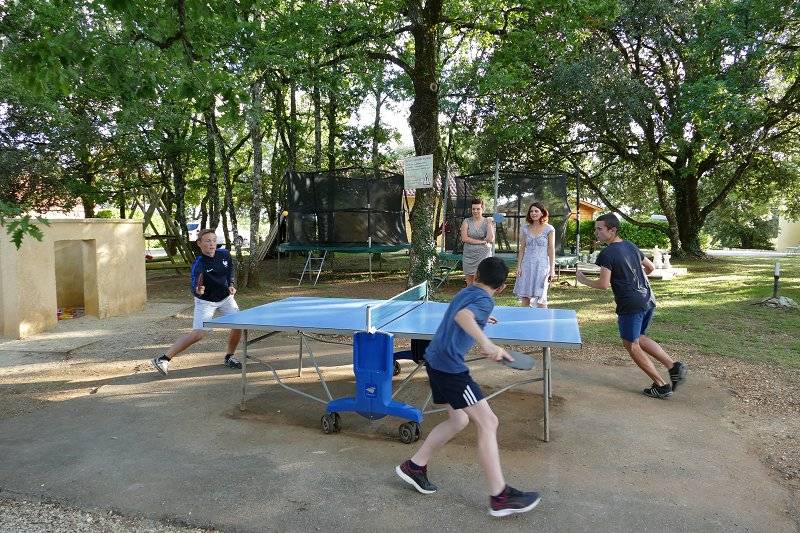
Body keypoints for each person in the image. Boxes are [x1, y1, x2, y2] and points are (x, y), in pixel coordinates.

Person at [395, 257, 541, 517]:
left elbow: (462, 311)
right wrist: (486, 343)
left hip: (435, 361)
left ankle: (414, 467)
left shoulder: (468, 291)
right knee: (488, 422)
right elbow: (464, 316)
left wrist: (484, 319)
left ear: (475, 276)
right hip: (451, 369)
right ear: (502, 287)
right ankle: (499, 497)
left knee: (459, 420)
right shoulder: (484, 300)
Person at [576, 214, 687, 398]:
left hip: (630, 303)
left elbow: (604, 284)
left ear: (612, 230)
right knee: (639, 337)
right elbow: (650, 268)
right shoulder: (630, 245)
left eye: (599, 229)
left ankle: (660, 385)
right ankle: (673, 366)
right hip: (648, 299)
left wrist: (584, 280)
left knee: (631, 343)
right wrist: (632, 276)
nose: (596, 232)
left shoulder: (607, 253)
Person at [151, 229, 243, 375]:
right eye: (207, 241)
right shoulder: (199, 264)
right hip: (206, 301)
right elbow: (194, 285)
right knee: (198, 334)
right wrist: (197, 291)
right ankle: (163, 359)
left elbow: (229, 270)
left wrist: (231, 284)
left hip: (226, 298)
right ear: (199, 244)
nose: (212, 243)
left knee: (239, 325)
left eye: (214, 240)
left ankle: (229, 356)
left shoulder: (224, 254)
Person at [513, 202, 555, 308]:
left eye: (536, 211)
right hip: (526, 265)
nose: (533, 213)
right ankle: (525, 322)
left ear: (542, 213)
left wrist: (552, 269)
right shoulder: (525, 229)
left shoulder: (549, 229)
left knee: (541, 297)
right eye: (531, 211)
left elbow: (551, 249)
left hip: (542, 266)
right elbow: (522, 249)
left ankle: (544, 323)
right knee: (525, 297)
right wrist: (519, 266)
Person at [460, 198, 495, 285]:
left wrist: (490, 224)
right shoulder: (466, 221)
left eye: (478, 209)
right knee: (470, 283)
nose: (475, 211)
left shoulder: (488, 221)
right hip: (469, 256)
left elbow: (490, 239)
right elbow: (464, 238)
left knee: (482, 282)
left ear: (482, 209)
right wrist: (481, 242)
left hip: (483, 256)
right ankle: (471, 299)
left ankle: (481, 298)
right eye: (473, 209)